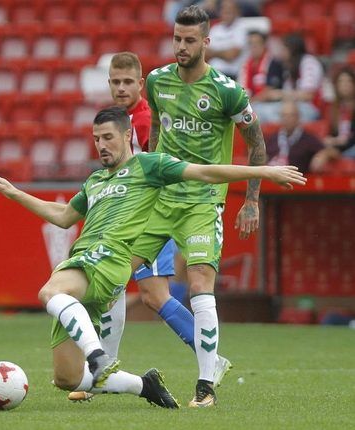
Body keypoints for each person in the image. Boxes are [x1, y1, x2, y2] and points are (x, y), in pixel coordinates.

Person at [0, 107, 304, 410]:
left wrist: (262, 171)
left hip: (106, 261)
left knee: (50, 291)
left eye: (108, 137)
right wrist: (15, 193)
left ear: (127, 136)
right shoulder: (95, 181)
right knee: (66, 378)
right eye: (96, 139)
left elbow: (204, 173)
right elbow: (64, 215)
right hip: (85, 263)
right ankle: (144, 385)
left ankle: (98, 354)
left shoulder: (149, 166)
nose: (101, 145)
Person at [66, 51, 231, 404]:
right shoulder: (117, 120)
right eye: (115, 81)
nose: (121, 88)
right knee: (130, 289)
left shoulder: (143, 120)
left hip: (151, 216)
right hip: (137, 218)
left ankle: (208, 362)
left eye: (128, 82)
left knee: (148, 293)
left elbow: (154, 169)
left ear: (141, 83)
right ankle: (102, 372)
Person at [129, 5, 270, 408]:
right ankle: (98, 371)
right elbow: (156, 129)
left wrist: (251, 200)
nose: (181, 46)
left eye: (190, 40)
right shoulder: (157, 81)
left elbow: (257, 143)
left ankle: (205, 386)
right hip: (162, 197)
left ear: (206, 42)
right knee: (118, 271)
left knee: (198, 284)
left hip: (204, 200)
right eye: (177, 38)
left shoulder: (227, 90)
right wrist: (148, 180)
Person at [252, 33, 325, 123]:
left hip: (310, 108)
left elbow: (308, 95)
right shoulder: (289, 65)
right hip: (292, 106)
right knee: (256, 109)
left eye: (283, 48)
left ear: (292, 49)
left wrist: (280, 94)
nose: (281, 51)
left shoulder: (309, 62)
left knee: (270, 115)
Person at [265, 100, 324, 174]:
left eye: (291, 115)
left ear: (298, 117)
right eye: (284, 115)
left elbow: (330, 151)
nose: (287, 119)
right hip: (272, 178)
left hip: (296, 180)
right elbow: (264, 156)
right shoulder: (273, 138)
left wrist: (323, 155)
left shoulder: (308, 139)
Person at [206, 0, 247, 80]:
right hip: (213, 74)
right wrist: (224, 53)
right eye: (224, 9)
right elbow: (205, 53)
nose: (227, 11)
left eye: (230, 9)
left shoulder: (242, 28)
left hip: (232, 75)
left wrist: (214, 53)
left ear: (236, 11)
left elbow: (232, 55)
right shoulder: (215, 29)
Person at [238, 31, 284, 101]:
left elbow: (270, 90)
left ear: (264, 44)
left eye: (257, 43)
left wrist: (252, 101)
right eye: (250, 44)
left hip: (269, 104)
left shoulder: (273, 63)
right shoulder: (245, 64)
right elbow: (241, 88)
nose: (253, 47)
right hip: (251, 103)